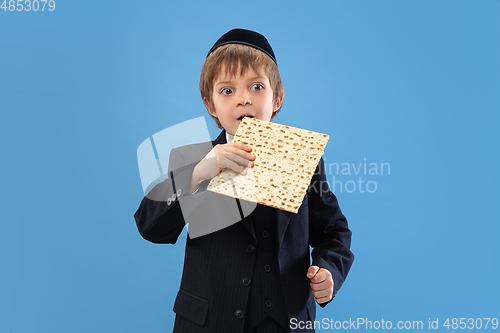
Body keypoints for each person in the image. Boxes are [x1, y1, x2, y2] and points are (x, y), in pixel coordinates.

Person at [134, 28, 354, 333]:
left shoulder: (302, 158)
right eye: (227, 91)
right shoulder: (191, 159)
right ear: (210, 105)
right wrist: (199, 173)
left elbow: (334, 232)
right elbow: (150, 226)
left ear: (277, 98)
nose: (243, 99)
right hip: (208, 324)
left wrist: (329, 271)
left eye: (256, 87)